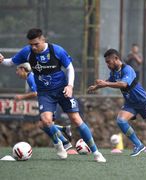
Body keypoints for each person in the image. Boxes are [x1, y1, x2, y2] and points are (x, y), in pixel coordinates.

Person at [0, 28, 106, 162]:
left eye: (36, 44)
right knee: (45, 121)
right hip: (45, 93)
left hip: (62, 90)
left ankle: (96, 152)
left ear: (43, 40)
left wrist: (70, 86)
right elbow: (10, 62)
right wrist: (2, 60)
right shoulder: (27, 52)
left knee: (76, 120)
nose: (33, 47)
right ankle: (59, 144)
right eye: (31, 44)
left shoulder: (57, 50)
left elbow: (69, 68)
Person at [88, 48, 146, 157]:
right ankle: (138, 144)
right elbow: (109, 81)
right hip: (130, 103)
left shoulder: (128, 69)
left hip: (142, 101)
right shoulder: (114, 72)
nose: (107, 64)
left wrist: (105, 84)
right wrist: (96, 87)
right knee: (121, 121)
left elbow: (123, 84)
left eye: (109, 62)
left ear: (116, 59)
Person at [15, 62, 73, 150]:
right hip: (49, 101)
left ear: (22, 69)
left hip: (50, 102)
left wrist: (21, 97)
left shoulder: (30, 77)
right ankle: (64, 130)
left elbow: (35, 93)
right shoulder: (30, 77)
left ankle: (65, 142)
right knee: (43, 125)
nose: (16, 73)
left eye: (17, 70)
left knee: (46, 124)